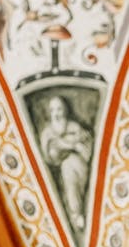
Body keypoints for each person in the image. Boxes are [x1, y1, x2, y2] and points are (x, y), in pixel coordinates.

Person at [39, 95, 92, 233]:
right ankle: (76, 214)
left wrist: (67, 144)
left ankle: (78, 212)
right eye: (53, 110)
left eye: (59, 109)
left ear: (65, 111)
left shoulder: (74, 126)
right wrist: (72, 145)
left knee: (73, 172)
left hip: (80, 166)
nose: (56, 114)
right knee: (67, 168)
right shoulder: (47, 132)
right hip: (62, 170)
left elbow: (86, 147)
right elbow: (50, 153)